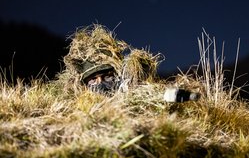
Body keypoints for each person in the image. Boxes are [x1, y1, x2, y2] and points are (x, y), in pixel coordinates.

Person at [61, 24, 200, 102]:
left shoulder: (126, 91)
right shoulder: (74, 105)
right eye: (92, 81)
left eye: (107, 77)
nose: (101, 85)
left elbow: (148, 95)